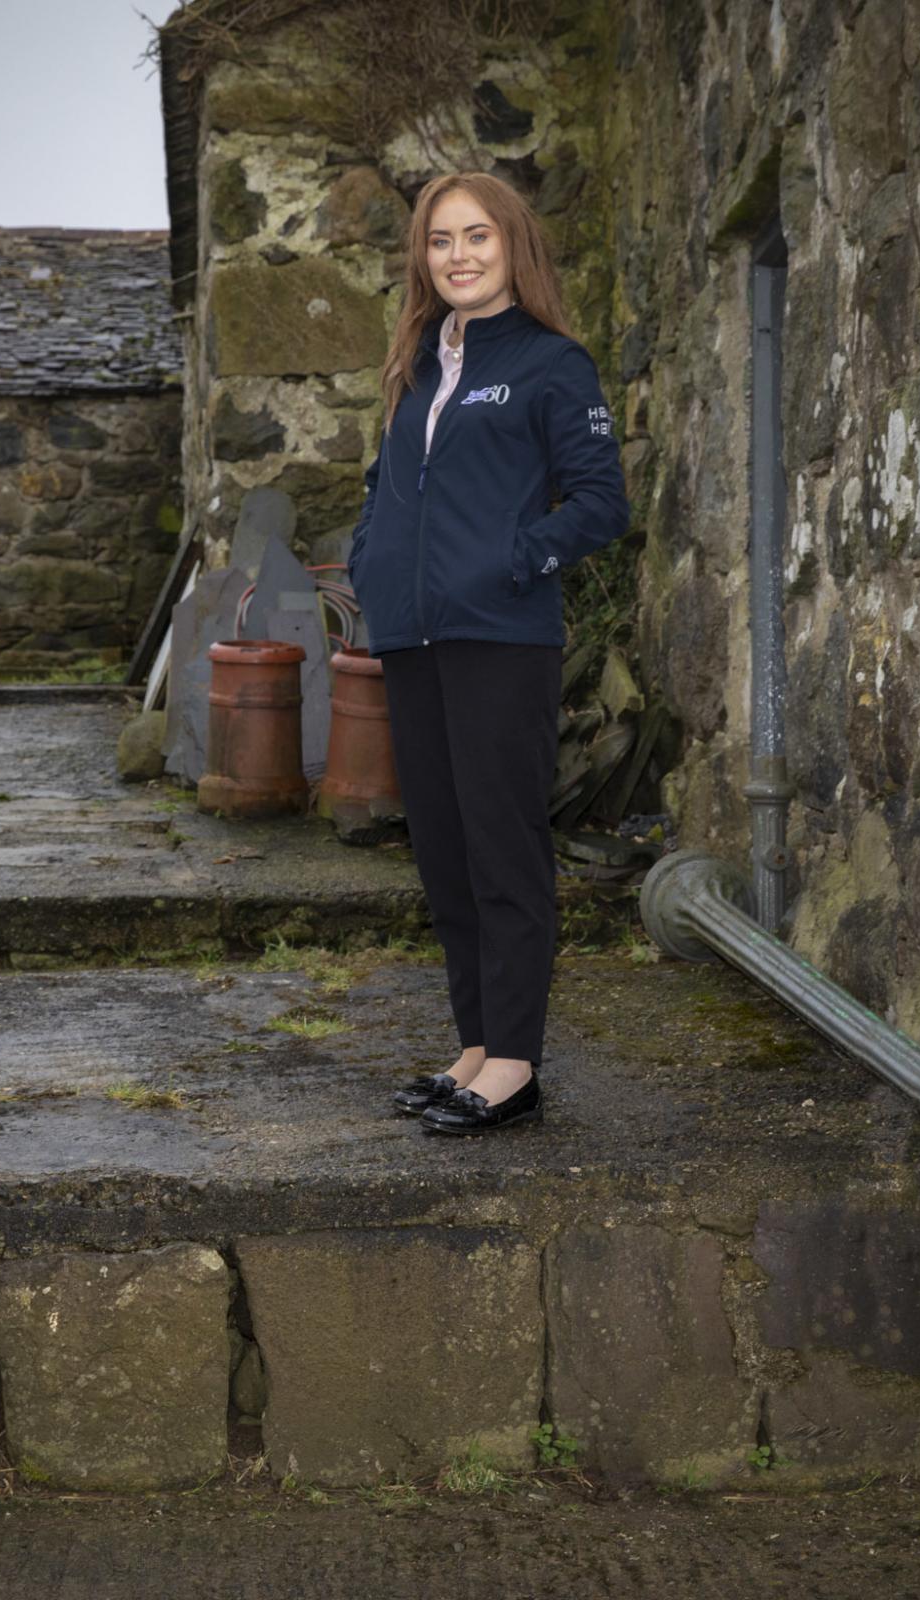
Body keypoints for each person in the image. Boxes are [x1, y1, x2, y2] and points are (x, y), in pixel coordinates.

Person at [343, 172, 629, 1135]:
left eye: (476, 237)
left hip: (502, 637)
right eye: (439, 241)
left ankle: (514, 1062)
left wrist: (514, 561)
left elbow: (599, 504)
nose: (457, 256)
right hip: (412, 638)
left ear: (513, 247)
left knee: (504, 850)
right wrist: (370, 562)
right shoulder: (419, 364)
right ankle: (475, 1045)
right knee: (446, 851)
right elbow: (389, 488)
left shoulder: (554, 364)